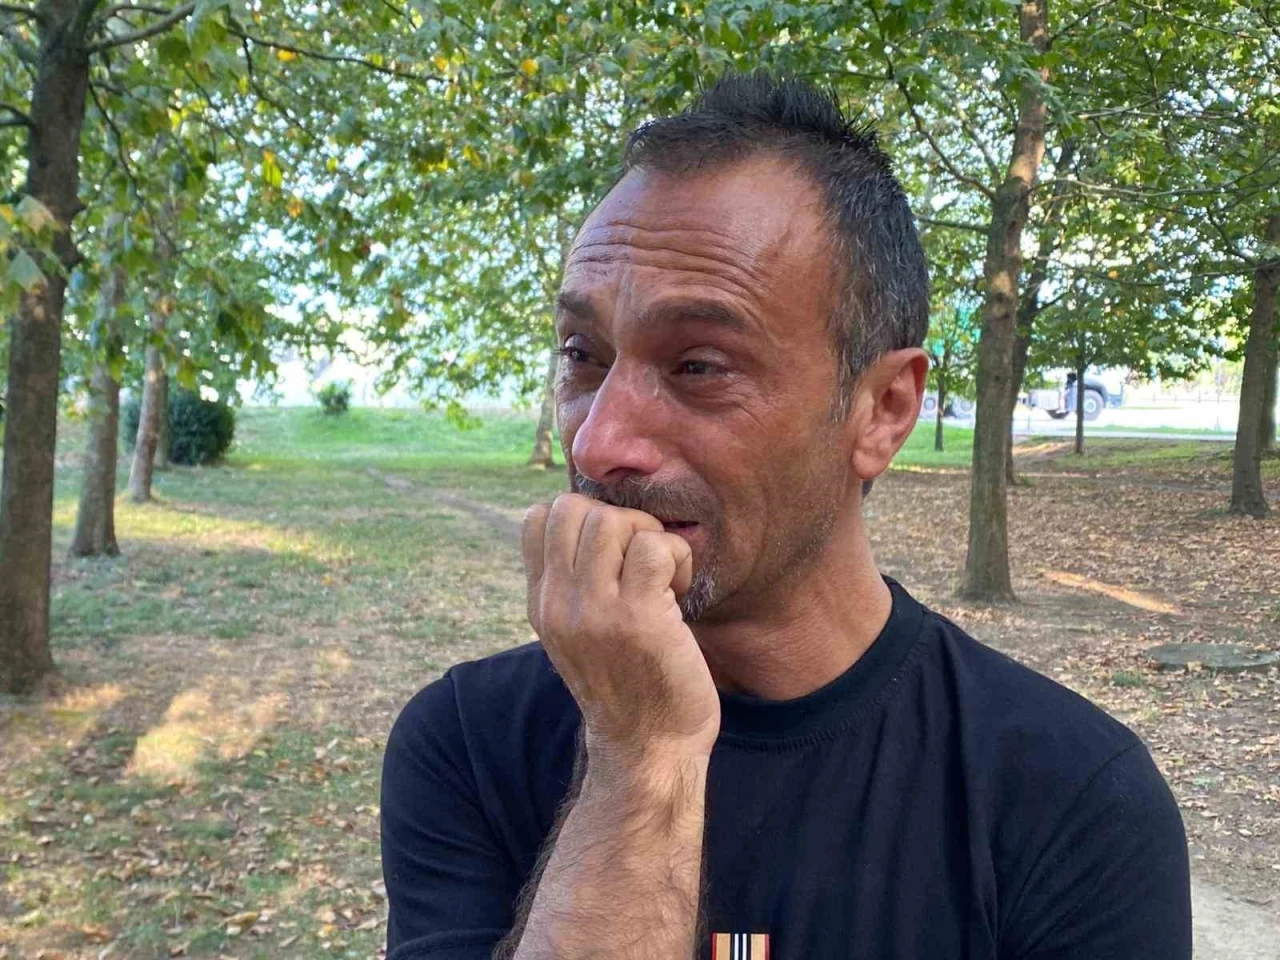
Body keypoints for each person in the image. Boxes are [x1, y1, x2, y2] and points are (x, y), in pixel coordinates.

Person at [380, 71, 1191, 960]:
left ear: (882, 410)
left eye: (699, 365)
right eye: (583, 354)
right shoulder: (469, 742)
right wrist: (639, 761)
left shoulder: (1071, 800)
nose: (601, 442)